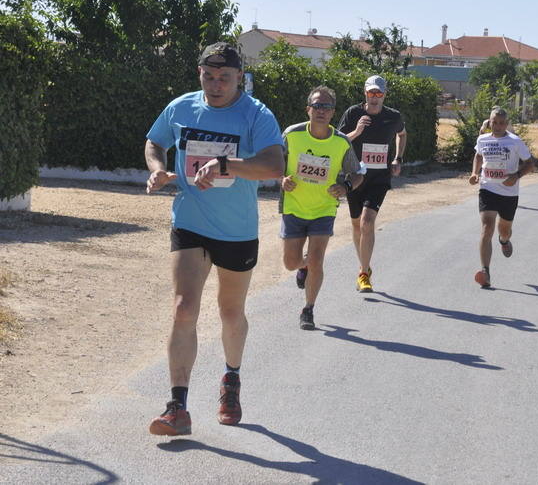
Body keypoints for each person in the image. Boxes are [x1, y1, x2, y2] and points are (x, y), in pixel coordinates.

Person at [145, 42, 285, 436]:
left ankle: (231, 378)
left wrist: (226, 164)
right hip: (190, 221)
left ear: (240, 77)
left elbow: (275, 164)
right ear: (199, 73)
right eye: (209, 76)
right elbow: (155, 141)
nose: (216, 84)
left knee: (230, 312)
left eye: (225, 77)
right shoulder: (181, 107)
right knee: (183, 308)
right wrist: (157, 168)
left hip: (237, 230)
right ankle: (177, 406)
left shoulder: (256, 114)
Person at [280, 86, 363, 329]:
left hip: (324, 209)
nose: (321, 111)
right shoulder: (292, 134)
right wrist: (280, 180)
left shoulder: (341, 142)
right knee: (289, 262)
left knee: (317, 260)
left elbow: (357, 173)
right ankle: (302, 265)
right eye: (317, 105)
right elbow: (274, 162)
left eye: (326, 107)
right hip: (294, 207)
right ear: (308, 109)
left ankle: (308, 309)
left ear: (333, 112)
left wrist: (346, 187)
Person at [338, 75, 406, 293]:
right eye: (371, 93)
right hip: (355, 176)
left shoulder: (393, 116)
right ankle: (364, 265)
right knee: (357, 224)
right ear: (365, 93)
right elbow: (338, 141)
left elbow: (402, 134)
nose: (374, 97)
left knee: (368, 221)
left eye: (379, 93)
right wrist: (357, 131)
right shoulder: (353, 113)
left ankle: (364, 273)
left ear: (384, 95)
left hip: (379, 178)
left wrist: (398, 158)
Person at [469, 107, 535, 288]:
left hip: (509, 192)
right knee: (487, 227)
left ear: (506, 124)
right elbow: (478, 156)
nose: (497, 126)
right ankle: (485, 271)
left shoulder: (515, 142)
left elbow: (530, 164)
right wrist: (475, 173)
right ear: (489, 122)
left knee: (504, 229)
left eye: (501, 123)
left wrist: (517, 176)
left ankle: (504, 240)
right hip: (487, 188)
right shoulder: (483, 139)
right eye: (494, 122)